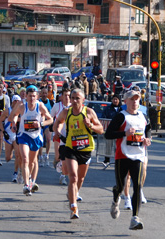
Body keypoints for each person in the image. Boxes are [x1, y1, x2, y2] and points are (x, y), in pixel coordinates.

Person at [52, 88, 104, 219]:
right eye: (72, 98)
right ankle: (74, 207)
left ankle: (73, 193)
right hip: (71, 148)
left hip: (85, 149)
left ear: (83, 100)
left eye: (77, 98)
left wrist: (90, 126)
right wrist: (57, 130)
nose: (74, 101)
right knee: (73, 177)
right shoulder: (66, 112)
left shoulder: (89, 112)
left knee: (80, 179)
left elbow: (101, 129)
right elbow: (57, 122)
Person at [105, 88, 151, 230]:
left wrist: (148, 139)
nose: (134, 102)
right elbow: (108, 134)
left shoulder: (143, 116)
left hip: (138, 155)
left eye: (137, 99)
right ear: (125, 101)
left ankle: (134, 218)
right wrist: (124, 133)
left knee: (137, 186)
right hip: (122, 156)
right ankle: (115, 198)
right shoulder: (121, 116)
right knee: (120, 186)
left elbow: (148, 129)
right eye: (131, 99)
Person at [8, 85, 54, 196]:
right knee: (25, 158)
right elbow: (13, 115)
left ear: (37, 96)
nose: (32, 98)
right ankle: (26, 185)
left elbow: (51, 119)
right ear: (26, 97)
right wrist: (14, 123)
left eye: (34, 96)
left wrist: (40, 124)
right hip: (24, 135)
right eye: (30, 96)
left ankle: (31, 180)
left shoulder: (40, 106)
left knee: (33, 162)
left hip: (36, 136)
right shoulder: (22, 106)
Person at [50, 88, 71, 185]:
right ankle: (57, 161)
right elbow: (50, 117)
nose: (67, 97)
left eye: (68, 95)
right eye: (65, 95)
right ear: (61, 96)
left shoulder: (72, 107)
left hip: (69, 135)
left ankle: (63, 176)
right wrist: (52, 126)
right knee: (58, 156)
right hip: (58, 133)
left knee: (66, 157)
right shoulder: (57, 106)